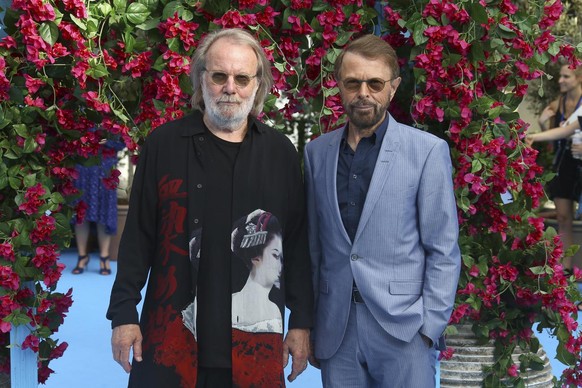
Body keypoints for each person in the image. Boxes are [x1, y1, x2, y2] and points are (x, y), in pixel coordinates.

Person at [106, 28, 313, 388]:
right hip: (171, 339)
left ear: (257, 84)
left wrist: (301, 323)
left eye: (242, 78)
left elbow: (295, 245)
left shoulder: (280, 153)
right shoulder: (163, 145)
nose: (230, 87)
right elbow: (138, 236)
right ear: (201, 80)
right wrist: (123, 313)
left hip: (253, 348)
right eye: (219, 76)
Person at [303, 34, 461, 387]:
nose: (364, 93)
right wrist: (314, 323)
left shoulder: (427, 151)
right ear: (339, 87)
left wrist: (428, 327)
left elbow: (443, 248)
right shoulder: (317, 154)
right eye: (353, 82)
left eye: (375, 83)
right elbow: (315, 247)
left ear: (393, 88)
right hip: (336, 329)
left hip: (404, 331)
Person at [527, 62, 582, 270]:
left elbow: (568, 131)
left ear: (578, 78)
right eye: (560, 76)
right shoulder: (558, 103)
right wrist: (540, 127)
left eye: (566, 76)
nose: (560, 80)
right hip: (565, 161)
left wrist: (535, 135)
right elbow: (556, 137)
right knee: (562, 216)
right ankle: (566, 269)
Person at [71, 136, 124, 275]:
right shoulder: (78, 113)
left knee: (104, 212)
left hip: (105, 167)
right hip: (82, 164)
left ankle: (104, 256)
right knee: (80, 212)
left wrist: (108, 140)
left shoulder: (115, 116)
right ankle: (82, 256)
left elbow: (124, 142)